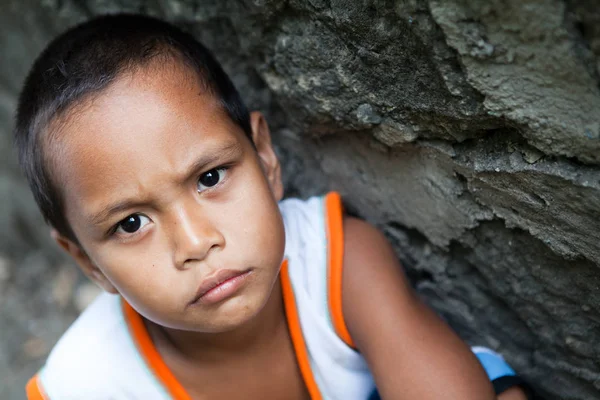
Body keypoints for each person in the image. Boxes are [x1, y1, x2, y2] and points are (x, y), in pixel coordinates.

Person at [15, 14, 534, 400]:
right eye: (131, 223)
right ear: (87, 261)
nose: (196, 242)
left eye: (210, 178)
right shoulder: (88, 383)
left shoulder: (334, 264)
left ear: (265, 159)